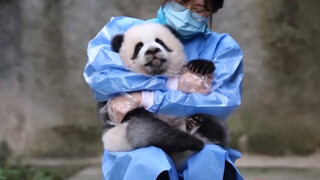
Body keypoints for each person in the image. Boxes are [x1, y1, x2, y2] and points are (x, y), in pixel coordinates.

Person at [83, 0, 244, 179]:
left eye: (197, 9)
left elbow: (221, 101)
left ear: (210, 11)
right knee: (149, 163)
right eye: (180, 4)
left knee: (210, 161)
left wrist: (145, 97)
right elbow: (104, 79)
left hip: (193, 136)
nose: (185, 13)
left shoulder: (222, 48)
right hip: (141, 145)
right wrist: (174, 84)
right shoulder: (124, 31)